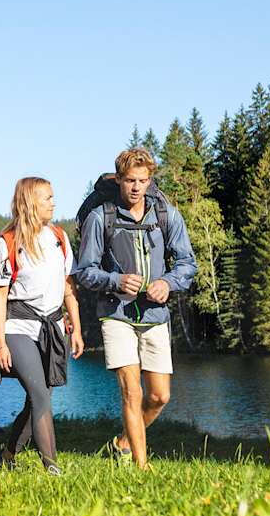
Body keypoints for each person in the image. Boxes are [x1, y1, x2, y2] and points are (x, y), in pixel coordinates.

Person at [72, 148, 196, 468]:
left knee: (159, 397)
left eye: (142, 180)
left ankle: (123, 442)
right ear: (119, 179)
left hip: (155, 314)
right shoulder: (102, 217)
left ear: (150, 180)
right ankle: (140, 467)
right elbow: (85, 271)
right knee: (132, 392)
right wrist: (116, 280)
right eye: (130, 181)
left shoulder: (166, 214)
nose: (136, 187)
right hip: (116, 313)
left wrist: (168, 283)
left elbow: (186, 263)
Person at [0, 177, 84, 475]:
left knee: (38, 399)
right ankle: (52, 467)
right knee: (40, 395)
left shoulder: (59, 237)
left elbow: (68, 288)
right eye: (48, 198)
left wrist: (76, 328)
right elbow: (0, 295)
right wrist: (0, 343)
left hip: (53, 326)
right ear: (30, 202)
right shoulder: (7, 243)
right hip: (18, 326)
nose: (54, 203)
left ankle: (5, 457)